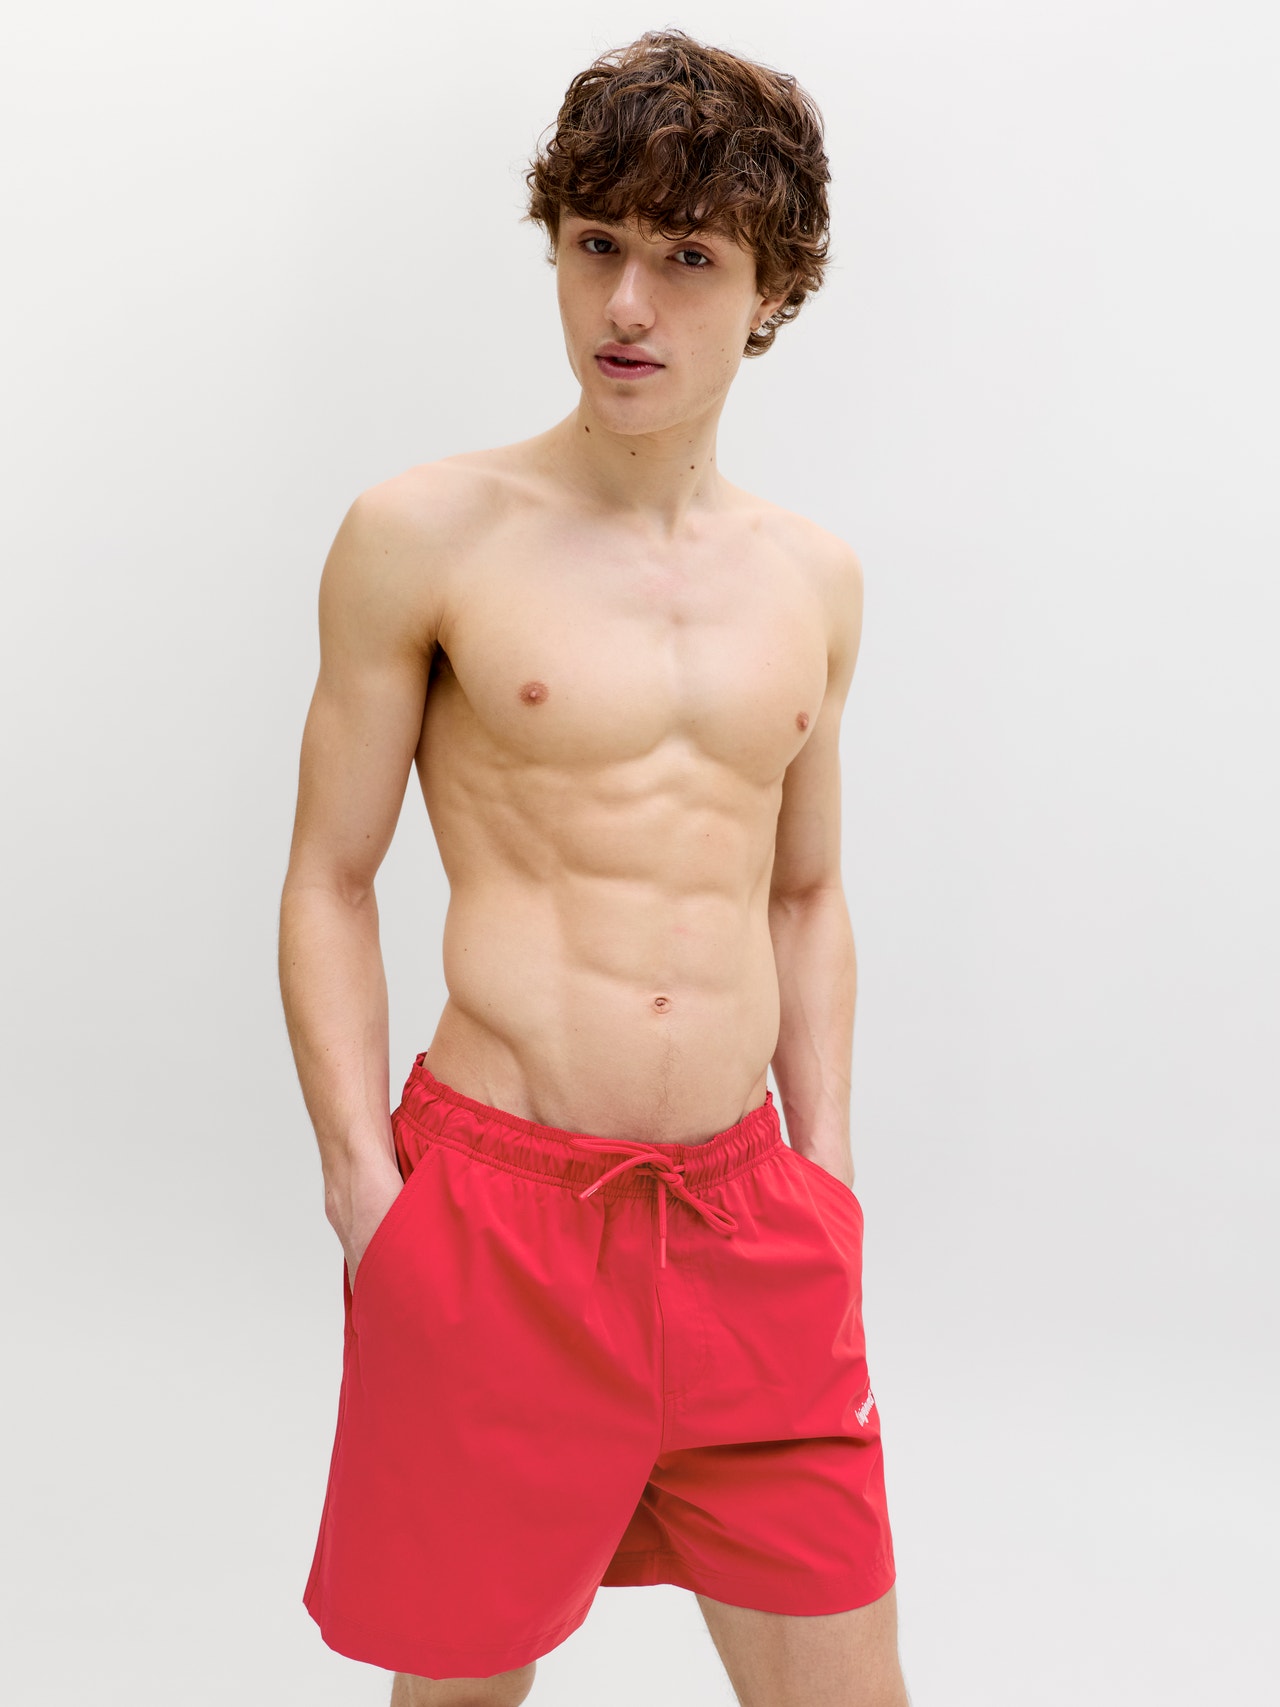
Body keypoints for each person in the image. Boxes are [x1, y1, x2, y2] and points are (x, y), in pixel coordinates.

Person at [279, 27, 909, 1707]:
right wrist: (365, 1196)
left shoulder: (815, 579)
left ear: (772, 287)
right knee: (462, 1691)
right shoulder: (423, 536)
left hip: (748, 1223)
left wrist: (830, 1175)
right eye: (597, 244)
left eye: (688, 257)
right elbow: (330, 877)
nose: (627, 303)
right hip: (494, 1222)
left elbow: (803, 893)